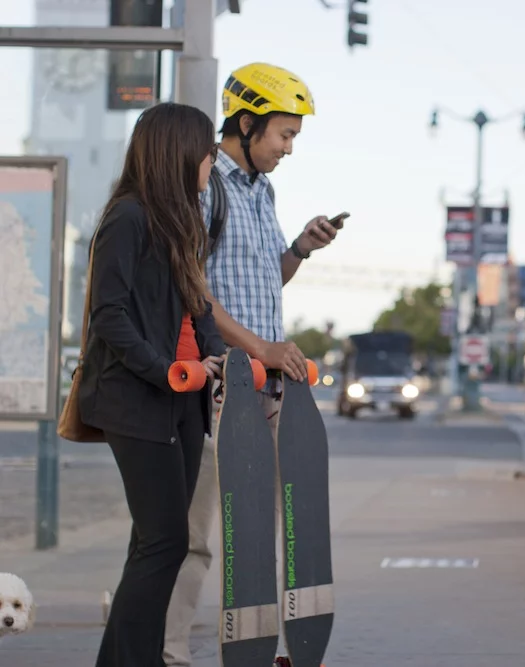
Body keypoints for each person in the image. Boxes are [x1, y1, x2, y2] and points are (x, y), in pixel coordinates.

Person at [163, 62, 344, 666]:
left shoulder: (263, 192)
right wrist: (259, 350)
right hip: (218, 387)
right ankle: (170, 652)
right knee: (198, 538)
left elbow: (268, 281)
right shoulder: (204, 187)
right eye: (284, 135)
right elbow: (198, 293)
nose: (289, 148)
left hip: (269, 390)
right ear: (247, 124)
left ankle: (260, 649)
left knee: (266, 533)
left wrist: (299, 248)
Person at [77, 101, 228, 667]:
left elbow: (198, 306)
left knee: (157, 544)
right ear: (178, 152)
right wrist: (161, 368)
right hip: (139, 400)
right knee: (164, 543)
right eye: (207, 151)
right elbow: (108, 314)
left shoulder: (178, 220)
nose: (212, 161)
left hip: (184, 402)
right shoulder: (128, 218)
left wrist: (217, 357)